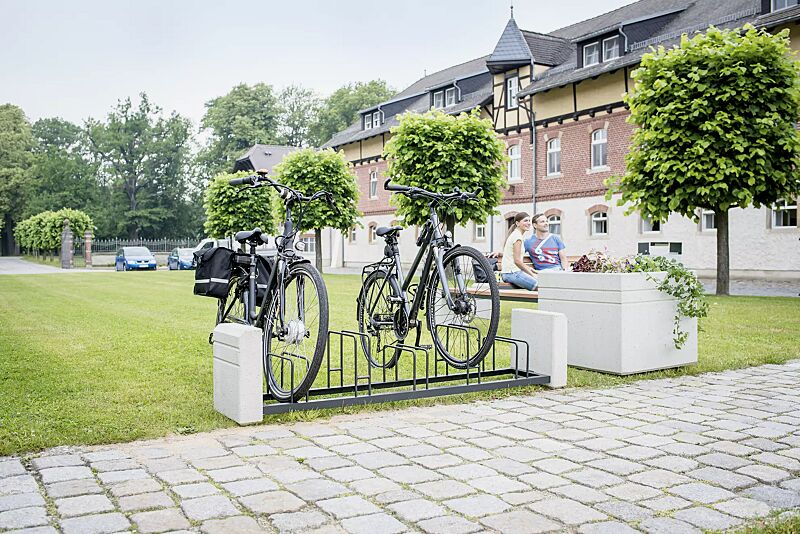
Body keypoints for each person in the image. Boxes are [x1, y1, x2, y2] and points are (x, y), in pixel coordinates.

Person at [500, 212, 538, 290]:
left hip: (511, 272)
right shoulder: (517, 237)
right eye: (525, 221)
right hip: (512, 273)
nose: (528, 223)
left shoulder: (516, 235)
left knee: (545, 284)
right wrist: (532, 274)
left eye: (529, 221)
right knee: (543, 287)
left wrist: (530, 269)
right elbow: (517, 261)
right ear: (517, 223)